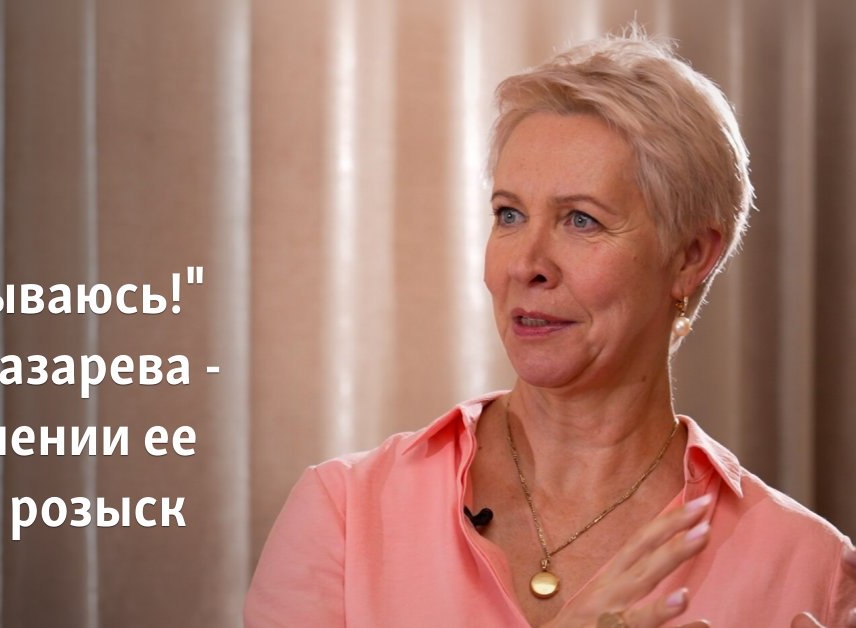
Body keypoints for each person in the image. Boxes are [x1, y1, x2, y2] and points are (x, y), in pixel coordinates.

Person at [244, 28, 856, 628]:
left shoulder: (810, 570)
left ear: (691, 258)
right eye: (509, 214)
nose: (526, 264)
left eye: (581, 220)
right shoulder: (344, 511)